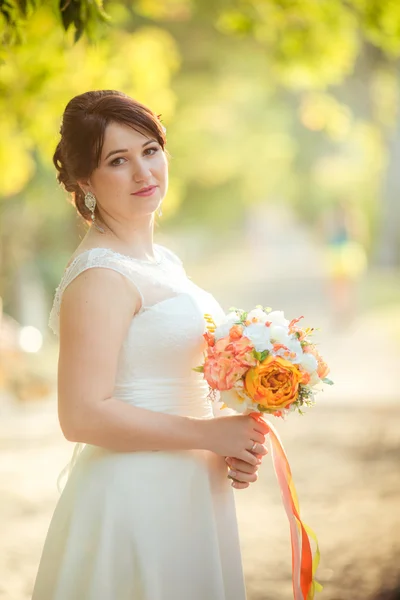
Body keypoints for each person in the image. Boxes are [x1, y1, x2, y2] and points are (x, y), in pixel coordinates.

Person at [31, 90, 270, 600]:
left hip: (191, 490)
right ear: (83, 181)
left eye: (150, 151)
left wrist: (234, 439)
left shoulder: (164, 262)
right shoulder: (99, 276)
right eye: (118, 161)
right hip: (135, 495)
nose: (143, 173)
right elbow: (82, 416)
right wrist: (211, 436)